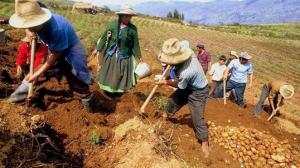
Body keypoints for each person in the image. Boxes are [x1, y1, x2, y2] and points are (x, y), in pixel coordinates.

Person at [8, 0, 93, 112]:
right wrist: (29, 30)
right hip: (54, 46)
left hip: (71, 49)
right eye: (27, 25)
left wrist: (37, 73)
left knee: (76, 74)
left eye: (31, 25)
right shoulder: (35, 23)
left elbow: (56, 54)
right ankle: (15, 98)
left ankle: (86, 102)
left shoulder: (57, 28)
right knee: (38, 72)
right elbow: (28, 24)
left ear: (39, 20)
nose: (29, 27)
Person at [157, 38, 210, 158]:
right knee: (172, 100)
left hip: (198, 91)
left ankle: (205, 142)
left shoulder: (186, 72)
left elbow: (179, 85)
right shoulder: (187, 51)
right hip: (187, 85)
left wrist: (165, 82)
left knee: (197, 117)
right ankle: (165, 116)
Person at [93, 5, 142, 97]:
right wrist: (98, 49)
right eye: (126, 16)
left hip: (124, 55)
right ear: (121, 15)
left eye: (130, 16)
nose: (128, 18)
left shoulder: (132, 29)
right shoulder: (112, 25)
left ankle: (119, 92)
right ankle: (107, 92)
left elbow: (136, 43)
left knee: (121, 75)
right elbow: (104, 37)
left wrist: (139, 55)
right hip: (111, 54)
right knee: (109, 73)